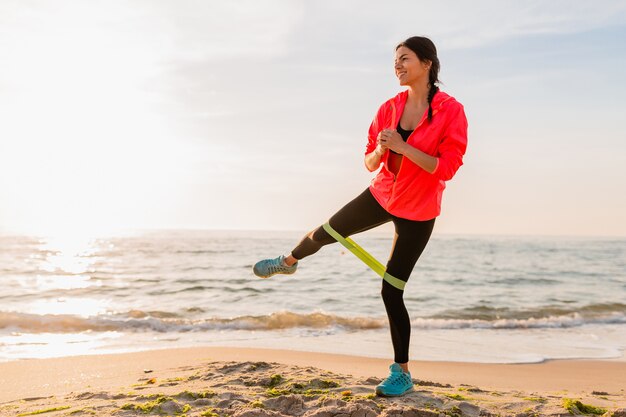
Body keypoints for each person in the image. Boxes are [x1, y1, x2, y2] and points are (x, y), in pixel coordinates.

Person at [253, 36, 468, 397]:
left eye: (405, 59)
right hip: (382, 194)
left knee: (391, 290)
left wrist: (403, 146)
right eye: (395, 60)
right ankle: (288, 262)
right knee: (325, 232)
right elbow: (368, 159)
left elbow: (446, 168)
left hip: (418, 210)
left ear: (427, 63)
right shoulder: (388, 108)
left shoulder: (450, 110)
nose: (397, 66)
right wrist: (383, 149)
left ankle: (401, 372)